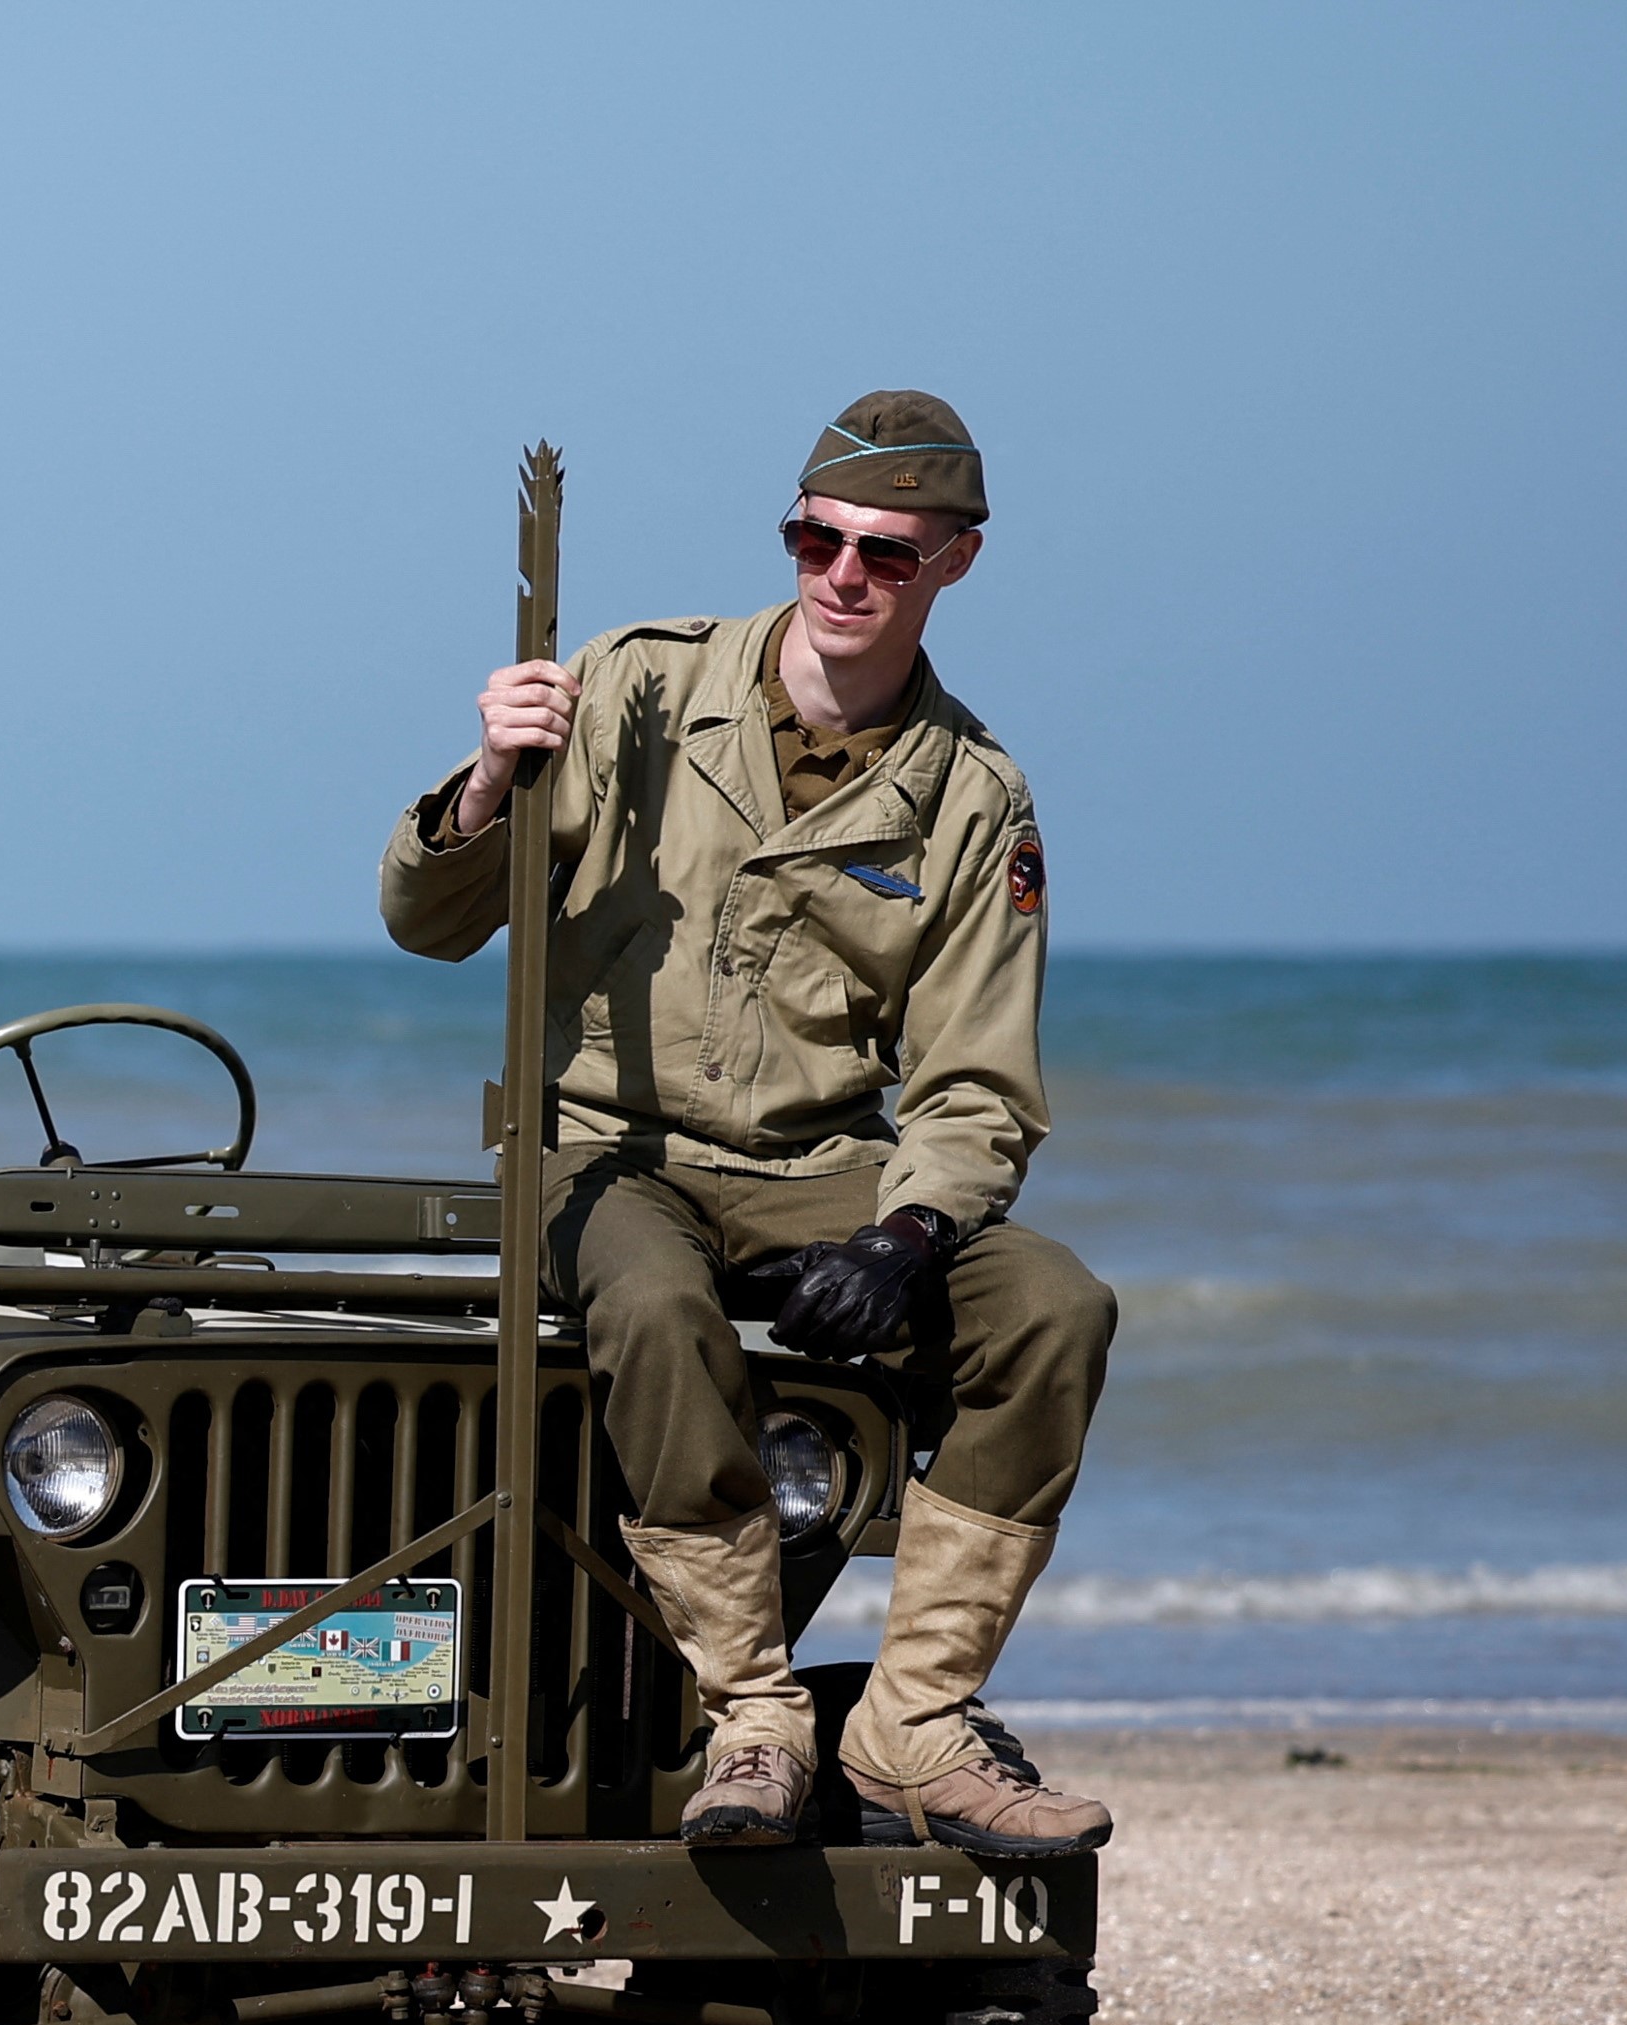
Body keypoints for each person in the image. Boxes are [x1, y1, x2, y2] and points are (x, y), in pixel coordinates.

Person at [382, 390, 1120, 1857]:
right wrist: (486, 785)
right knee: (651, 1302)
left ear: (955, 564)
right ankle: (757, 1720)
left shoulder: (973, 796)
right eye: (817, 539)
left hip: (819, 1167)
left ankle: (912, 1721)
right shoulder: (638, 689)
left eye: (886, 556)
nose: (843, 576)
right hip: (609, 1150)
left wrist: (908, 1236)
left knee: (1052, 1306)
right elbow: (426, 924)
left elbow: (973, 1083)